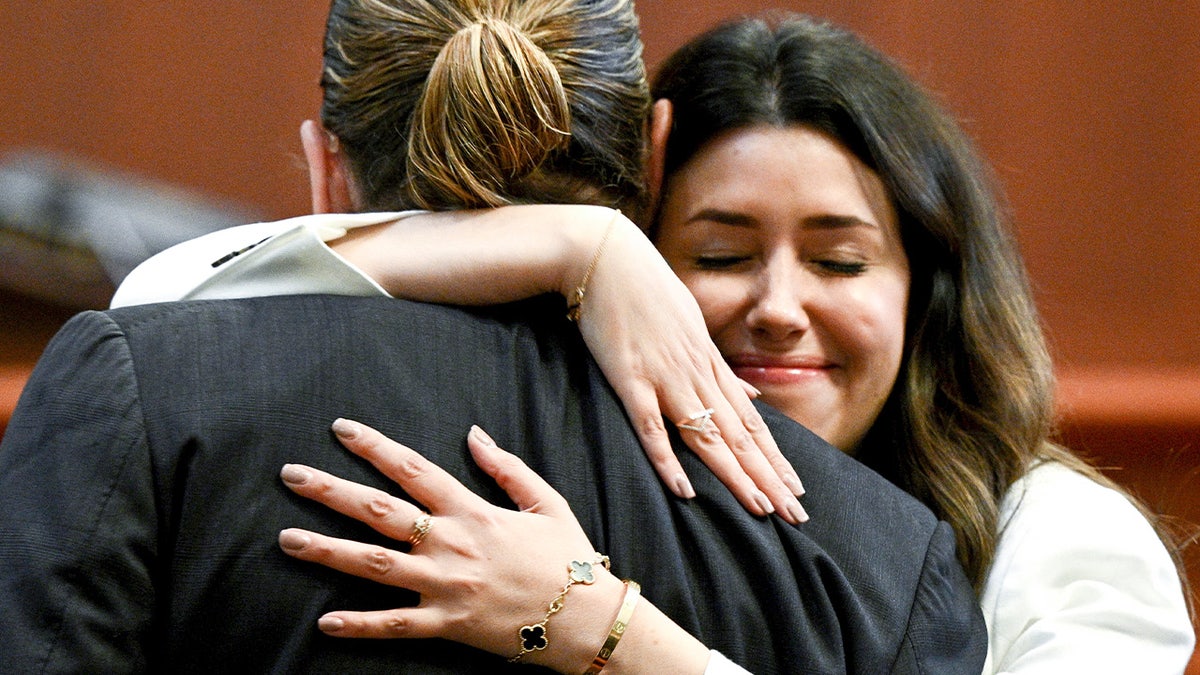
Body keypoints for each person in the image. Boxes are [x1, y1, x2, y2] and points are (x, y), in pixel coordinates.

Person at [116, 11, 1195, 673]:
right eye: (718, 255)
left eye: (839, 260)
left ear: (932, 288)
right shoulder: (587, 455)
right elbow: (154, 313)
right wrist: (575, 239)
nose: (778, 307)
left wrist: (597, 630)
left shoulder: (1052, 539)